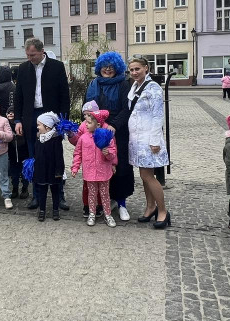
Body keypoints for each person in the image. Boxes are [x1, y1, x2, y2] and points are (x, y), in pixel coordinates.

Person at [13, 39, 70, 209]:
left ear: (42, 51)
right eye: (27, 55)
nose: (30, 58)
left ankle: (59, 196)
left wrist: (63, 120)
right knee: (34, 158)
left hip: (51, 117)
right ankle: (37, 196)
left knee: (54, 157)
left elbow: (64, 96)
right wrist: (17, 120)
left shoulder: (57, 67)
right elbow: (18, 97)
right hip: (31, 117)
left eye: (33, 55)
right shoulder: (23, 69)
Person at [85, 52, 134, 220]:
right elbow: (87, 107)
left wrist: (114, 125)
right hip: (98, 130)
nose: (107, 69)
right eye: (105, 66)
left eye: (111, 67)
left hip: (117, 131)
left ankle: (122, 204)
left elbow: (126, 109)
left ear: (116, 68)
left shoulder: (123, 85)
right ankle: (106, 200)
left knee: (120, 167)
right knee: (101, 167)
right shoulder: (93, 84)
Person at [127, 55, 170, 228]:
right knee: (144, 177)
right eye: (131, 70)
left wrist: (154, 141)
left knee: (148, 176)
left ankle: (163, 211)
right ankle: (150, 207)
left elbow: (158, 115)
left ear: (146, 68)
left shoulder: (153, 88)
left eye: (137, 69)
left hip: (148, 139)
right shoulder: (135, 86)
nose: (134, 72)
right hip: (137, 139)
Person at [71, 106, 119, 229]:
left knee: (105, 194)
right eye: (86, 121)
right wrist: (75, 167)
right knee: (91, 194)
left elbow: (113, 153)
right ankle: (92, 213)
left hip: (103, 172)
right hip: (90, 172)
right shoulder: (83, 138)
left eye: (89, 122)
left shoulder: (107, 137)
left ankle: (108, 214)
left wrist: (108, 154)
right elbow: (78, 153)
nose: (86, 124)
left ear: (98, 124)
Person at [32, 112, 65, 222]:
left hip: (53, 170)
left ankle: (55, 210)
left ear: (47, 126)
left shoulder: (56, 140)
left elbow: (59, 157)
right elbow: (36, 154)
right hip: (41, 169)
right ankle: (42, 210)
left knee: (55, 190)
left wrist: (59, 171)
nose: (37, 127)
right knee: (42, 190)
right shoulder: (39, 139)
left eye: (39, 125)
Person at [6, 104, 29, 200]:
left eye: (13, 112)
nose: (11, 114)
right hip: (12, 155)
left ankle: (25, 189)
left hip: (23, 153)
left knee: (24, 174)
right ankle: (15, 189)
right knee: (14, 175)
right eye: (9, 112)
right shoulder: (6, 125)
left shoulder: (22, 124)